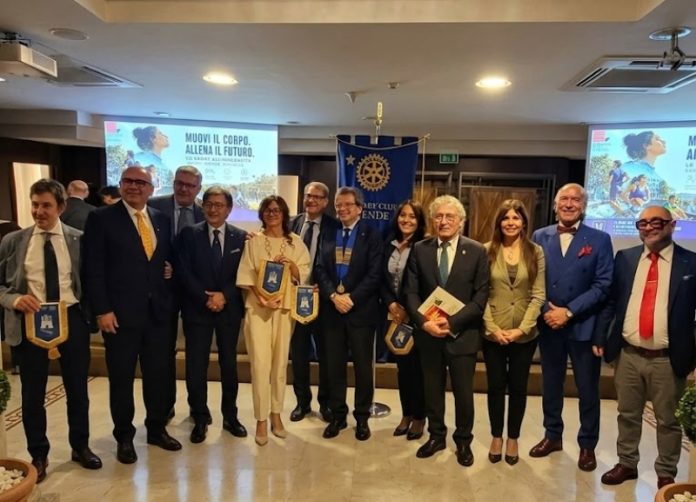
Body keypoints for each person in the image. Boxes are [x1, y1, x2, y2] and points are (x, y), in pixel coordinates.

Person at [0, 179, 101, 483]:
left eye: (46, 205)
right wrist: (15, 299)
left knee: (77, 390)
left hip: (71, 320)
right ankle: (39, 454)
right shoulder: (13, 242)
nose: (39, 211)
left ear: (61, 207)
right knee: (32, 394)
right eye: (35, 204)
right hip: (30, 322)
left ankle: (80, 446)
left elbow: (91, 281)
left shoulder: (79, 240)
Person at [82, 166, 181, 464]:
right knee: (122, 379)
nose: (134, 186)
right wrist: (102, 310)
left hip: (157, 315)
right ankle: (124, 437)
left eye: (141, 182)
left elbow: (163, 259)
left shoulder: (161, 219)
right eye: (128, 181)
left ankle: (156, 429)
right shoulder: (101, 218)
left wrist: (169, 270)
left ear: (151, 189)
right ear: (121, 184)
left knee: (158, 376)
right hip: (119, 316)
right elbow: (93, 268)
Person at [596, 206, 696, 490]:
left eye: (657, 222)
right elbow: (612, 302)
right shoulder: (626, 258)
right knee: (627, 414)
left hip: (668, 358)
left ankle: (666, 472)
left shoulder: (690, 263)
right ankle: (627, 463)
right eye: (643, 223)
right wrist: (602, 337)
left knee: (668, 420)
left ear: (672, 225)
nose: (649, 227)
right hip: (628, 353)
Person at [529, 183, 613, 472]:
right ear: (555, 205)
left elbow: (603, 285)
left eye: (575, 199)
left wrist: (569, 311)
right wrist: (547, 311)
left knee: (587, 389)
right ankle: (552, 435)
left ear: (583, 206)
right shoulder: (539, 236)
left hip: (583, 324)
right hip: (549, 324)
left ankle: (587, 444)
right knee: (550, 384)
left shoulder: (600, 239)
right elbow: (532, 279)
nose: (568, 203)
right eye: (563, 199)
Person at [404, 195, 489, 467]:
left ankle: (463, 441)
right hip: (428, 335)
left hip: (462, 336)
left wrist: (452, 323)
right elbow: (410, 292)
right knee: (432, 390)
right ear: (432, 221)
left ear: (461, 221)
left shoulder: (477, 251)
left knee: (464, 394)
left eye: (449, 216)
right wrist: (423, 322)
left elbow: (480, 297)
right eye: (438, 216)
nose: (443, 221)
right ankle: (437, 436)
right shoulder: (420, 249)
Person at [175, 186, 248, 443]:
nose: (213, 209)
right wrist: (206, 297)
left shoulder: (241, 238)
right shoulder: (188, 234)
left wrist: (224, 295)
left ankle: (230, 416)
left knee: (229, 365)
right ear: (203, 207)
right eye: (209, 204)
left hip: (229, 310)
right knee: (196, 366)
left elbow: (244, 273)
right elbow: (183, 271)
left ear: (228, 209)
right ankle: (200, 416)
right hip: (198, 309)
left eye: (219, 205)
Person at [236, 195, 310, 446]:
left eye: (277, 210)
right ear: (261, 214)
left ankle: (276, 415)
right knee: (260, 365)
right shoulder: (254, 242)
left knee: (279, 365)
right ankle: (260, 419)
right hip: (258, 309)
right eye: (267, 210)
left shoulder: (295, 242)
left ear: (284, 213)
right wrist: (261, 299)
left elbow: (304, 275)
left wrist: (292, 266)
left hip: (285, 308)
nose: (272, 214)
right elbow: (246, 276)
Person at [314, 186, 383, 441]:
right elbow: (319, 268)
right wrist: (334, 296)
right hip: (332, 311)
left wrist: (351, 299)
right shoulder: (328, 232)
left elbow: (375, 274)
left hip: (360, 312)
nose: (342, 209)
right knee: (334, 367)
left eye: (347, 205)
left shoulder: (372, 235)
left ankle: (362, 417)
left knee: (363, 369)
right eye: (338, 205)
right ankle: (338, 416)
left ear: (359, 208)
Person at [481, 199, 545, 465]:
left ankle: (513, 438)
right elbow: (480, 293)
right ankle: (497, 436)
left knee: (518, 387)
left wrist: (522, 329)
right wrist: (492, 328)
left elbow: (538, 295)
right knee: (495, 386)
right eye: (505, 218)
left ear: (524, 222)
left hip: (524, 333)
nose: (510, 223)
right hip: (493, 332)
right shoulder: (486, 250)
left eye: (516, 218)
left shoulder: (535, 251)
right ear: (499, 222)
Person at [148, 165, 205, 419]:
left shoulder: (206, 211)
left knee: (196, 353)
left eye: (190, 185)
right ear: (173, 183)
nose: (184, 189)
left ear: (198, 188)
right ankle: (165, 404)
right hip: (162, 291)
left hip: (195, 291)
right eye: (180, 183)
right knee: (163, 351)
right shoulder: (153, 207)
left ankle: (197, 406)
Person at [288, 181, 340, 423]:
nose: (311, 200)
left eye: (317, 197)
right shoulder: (291, 224)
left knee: (327, 355)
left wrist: (327, 286)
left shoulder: (335, 227)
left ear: (326, 202)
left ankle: (325, 403)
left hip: (325, 299)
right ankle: (302, 402)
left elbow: (340, 262)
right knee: (298, 354)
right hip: (296, 298)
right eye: (308, 195)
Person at [380, 200, 427, 440]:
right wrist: (390, 303)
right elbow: (382, 279)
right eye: (403, 215)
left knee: (417, 371)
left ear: (419, 222)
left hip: (416, 317)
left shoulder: (424, 246)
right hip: (394, 315)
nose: (406, 220)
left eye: (412, 217)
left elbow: (425, 283)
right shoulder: (388, 244)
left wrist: (410, 309)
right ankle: (406, 414)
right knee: (402, 370)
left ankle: (419, 417)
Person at [622, 131, 667, 198]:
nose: (664, 141)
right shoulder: (628, 168)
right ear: (646, 146)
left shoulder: (658, 178)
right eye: (657, 139)